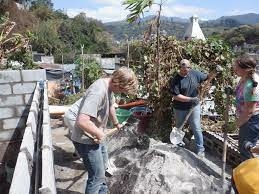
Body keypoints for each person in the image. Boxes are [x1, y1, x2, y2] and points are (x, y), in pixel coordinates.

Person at [64, 67, 138, 194]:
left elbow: (110, 107)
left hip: (96, 136)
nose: (121, 93)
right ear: (117, 82)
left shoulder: (109, 87)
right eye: (121, 90)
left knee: (102, 170)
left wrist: (116, 123)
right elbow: (82, 121)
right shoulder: (98, 91)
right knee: (97, 176)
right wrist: (99, 133)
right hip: (86, 140)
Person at [170, 59, 215, 157]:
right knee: (179, 126)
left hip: (194, 106)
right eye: (182, 70)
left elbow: (207, 77)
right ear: (180, 68)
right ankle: (178, 143)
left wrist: (214, 72)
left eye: (186, 70)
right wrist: (191, 99)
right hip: (180, 108)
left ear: (190, 68)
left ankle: (200, 149)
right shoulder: (176, 80)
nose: (184, 72)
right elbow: (176, 96)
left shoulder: (195, 74)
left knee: (196, 126)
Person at [233, 55, 259, 160]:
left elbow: (249, 111)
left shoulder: (251, 86)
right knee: (244, 146)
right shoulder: (245, 77)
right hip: (246, 119)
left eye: (237, 67)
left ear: (246, 69)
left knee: (246, 149)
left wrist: (234, 125)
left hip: (250, 121)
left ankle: (248, 173)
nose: (234, 69)